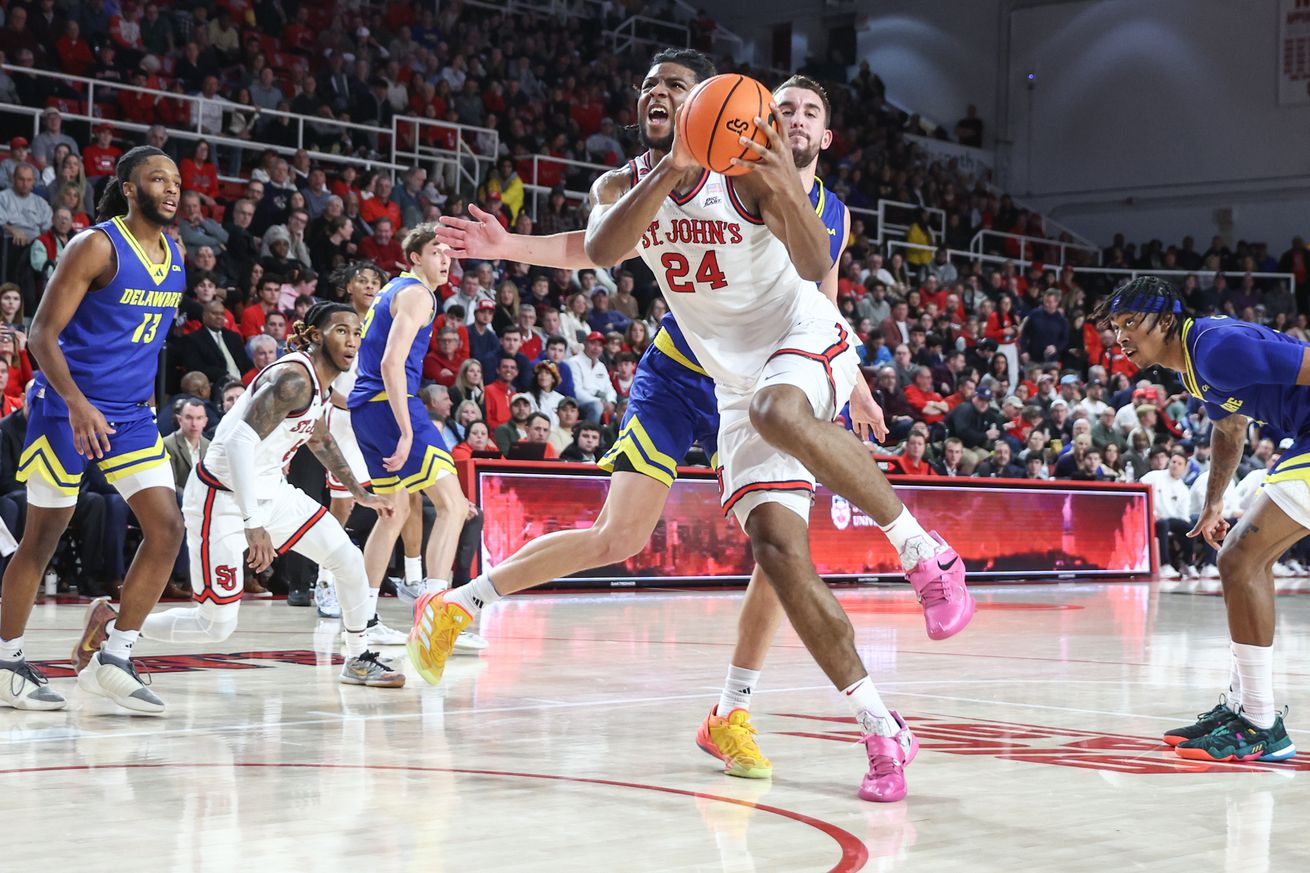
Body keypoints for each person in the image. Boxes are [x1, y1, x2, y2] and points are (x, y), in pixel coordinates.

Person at [431, 57, 972, 802]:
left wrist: (851, 382)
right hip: (697, 368)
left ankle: (909, 565)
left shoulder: (756, 172)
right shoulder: (621, 186)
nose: (659, 93)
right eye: (649, 86)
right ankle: (462, 602)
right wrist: (512, 245)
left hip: (791, 345)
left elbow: (820, 268)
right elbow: (596, 249)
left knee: (779, 433)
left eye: (677, 87)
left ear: (717, 104)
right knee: (710, 544)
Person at [0, 147, 185, 713]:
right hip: (66, 407)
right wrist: (77, 404)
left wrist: (148, 408)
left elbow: (147, 347)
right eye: (158, 179)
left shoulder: (175, 254)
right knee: (43, 538)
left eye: (176, 181)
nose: (172, 189)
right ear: (129, 188)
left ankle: (114, 656)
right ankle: (6, 659)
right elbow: (40, 335)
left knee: (167, 527)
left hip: (130, 414)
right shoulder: (96, 245)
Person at [136, 302, 403, 687]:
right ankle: (118, 627)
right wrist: (253, 524)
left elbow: (317, 433)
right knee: (215, 626)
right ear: (316, 336)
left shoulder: (320, 383)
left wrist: (359, 491)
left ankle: (358, 656)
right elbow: (239, 444)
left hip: (271, 492)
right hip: (223, 498)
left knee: (346, 557)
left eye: (357, 332)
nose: (352, 340)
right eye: (342, 330)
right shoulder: (293, 379)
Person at [1096, 276, 1302, 762]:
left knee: (1240, 559)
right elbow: (1230, 430)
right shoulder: (1194, 365)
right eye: (1115, 327)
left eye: (1130, 323)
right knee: (1243, 562)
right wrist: (1213, 502)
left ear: (1165, 319)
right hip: (1303, 436)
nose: (1121, 336)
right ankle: (1245, 706)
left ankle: (1259, 722)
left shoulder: (1216, 347)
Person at [348, 224, 484, 660]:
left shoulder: (395, 290)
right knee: (453, 506)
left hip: (364, 407)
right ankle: (435, 616)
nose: (445, 260)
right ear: (414, 258)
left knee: (394, 511)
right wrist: (407, 430)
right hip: (390, 403)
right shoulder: (418, 294)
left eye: (449, 254)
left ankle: (363, 618)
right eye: (436, 252)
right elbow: (391, 361)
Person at [315, 261, 428, 638]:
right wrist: (336, 397)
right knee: (344, 502)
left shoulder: (386, 315)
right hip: (343, 417)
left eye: (374, 281)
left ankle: (412, 579)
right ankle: (325, 581)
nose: (368, 285)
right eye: (361, 280)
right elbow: (319, 368)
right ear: (347, 287)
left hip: (374, 413)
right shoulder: (336, 319)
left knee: (404, 497)